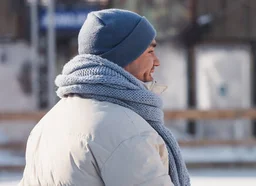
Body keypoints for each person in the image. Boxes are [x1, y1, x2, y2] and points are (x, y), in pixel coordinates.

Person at [20, 9, 189, 186]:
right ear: (126, 55)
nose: (157, 61)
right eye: (149, 51)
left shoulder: (47, 124)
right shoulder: (127, 131)